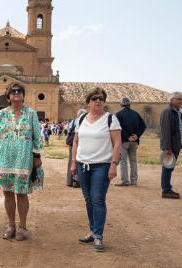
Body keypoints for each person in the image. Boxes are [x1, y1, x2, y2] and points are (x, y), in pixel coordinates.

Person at [0, 82, 43, 241]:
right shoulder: (2, 114)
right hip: (5, 157)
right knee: (8, 192)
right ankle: (11, 225)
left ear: (23, 95)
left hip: (24, 157)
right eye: (13, 91)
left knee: (22, 192)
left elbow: (37, 137)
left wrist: (37, 157)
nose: (16, 93)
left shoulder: (31, 114)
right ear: (8, 96)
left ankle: (22, 227)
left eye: (19, 91)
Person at [71, 87, 121, 252]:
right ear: (88, 102)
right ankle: (93, 231)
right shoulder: (81, 119)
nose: (98, 101)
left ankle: (98, 236)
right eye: (94, 98)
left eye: (100, 98)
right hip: (82, 164)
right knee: (88, 200)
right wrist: (73, 163)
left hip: (102, 165)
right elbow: (76, 142)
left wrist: (114, 164)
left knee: (98, 199)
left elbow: (117, 143)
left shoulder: (110, 119)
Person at [159, 92, 182, 199]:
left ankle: (167, 188)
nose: (181, 101)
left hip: (176, 145)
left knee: (170, 167)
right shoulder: (168, 112)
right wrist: (167, 147)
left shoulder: (177, 112)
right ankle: (166, 190)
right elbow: (165, 131)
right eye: (179, 99)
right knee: (167, 167)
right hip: (170, 146)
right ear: (172, 100)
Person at [115, 98, 146, 186]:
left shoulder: (118, 114)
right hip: (135, 141)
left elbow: (118, 128)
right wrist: (136, 135)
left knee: (123, 161)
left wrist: (128, 137)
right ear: (129, 104)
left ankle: (125, 181)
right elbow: (143, 126)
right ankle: (134, 181)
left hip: (124, 141)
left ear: (121, 105)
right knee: (133, 161)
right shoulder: (136, 114)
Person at [66, 109, 87, 187]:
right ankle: (77, 181)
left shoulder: (73, 121)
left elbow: (68, 131)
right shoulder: (84, 121)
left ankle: (69, 181)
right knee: (79, 161)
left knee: (71, 161)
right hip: (79, 143)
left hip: (71, 143)